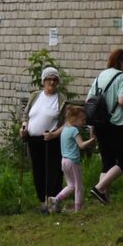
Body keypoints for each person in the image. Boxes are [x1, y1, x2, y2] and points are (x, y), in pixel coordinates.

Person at [87, 48, 123, 206]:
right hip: (115, 123)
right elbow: (122, 101)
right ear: (120, 61)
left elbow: (89, 100)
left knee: (107, 162)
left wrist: (91, 126)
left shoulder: (101, 75)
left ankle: (104, 198)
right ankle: (99, 188)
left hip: (100, 123)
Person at [20, 66, 64, 212]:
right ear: (43, 81)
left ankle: (53, 202)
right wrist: (24, 127)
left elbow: (66, 123)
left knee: (53, 171)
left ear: (57, 82)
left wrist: (54, 134)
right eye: (48, 79)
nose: (51, 82)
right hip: (34, 140)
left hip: (50, 140)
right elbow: (26, 115)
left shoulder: (61, 99)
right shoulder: (35, 96)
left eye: (54, 79)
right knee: (38, 171)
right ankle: (42, 202)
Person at [48, 105, 96, 213]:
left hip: (64, 161)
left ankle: (56, 199)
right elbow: (81, 145)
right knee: (79, 186)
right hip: (73, 162)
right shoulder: (74, 130)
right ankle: (78, 209)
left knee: (71, 185)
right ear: (74, 119)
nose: (84, 122)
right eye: (82, 120)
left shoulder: (65, 128)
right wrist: (91, 140)